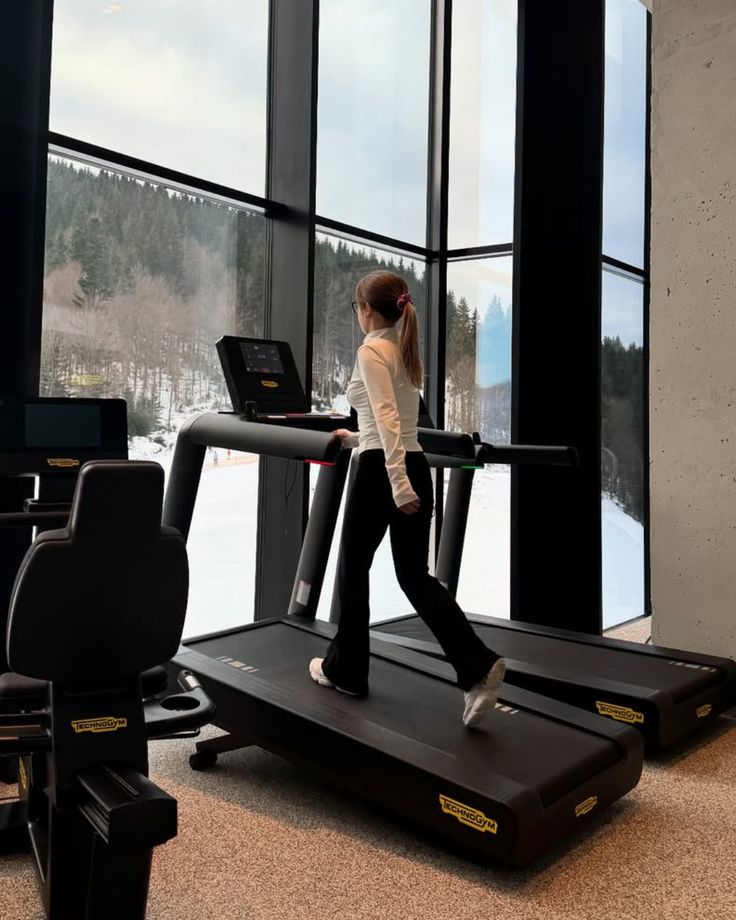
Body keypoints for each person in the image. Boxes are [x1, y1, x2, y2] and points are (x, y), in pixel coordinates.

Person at [309, 270, 506, 728]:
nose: (357, 314)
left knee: (353, 569)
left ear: (366, 310)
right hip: (409, 465)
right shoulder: (401, 349)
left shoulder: (370, 350)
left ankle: (347, 672)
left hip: (386, 473)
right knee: (414, 577)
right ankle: (477, 666)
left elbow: (386, 418)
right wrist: (355, 437)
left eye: (357, 307)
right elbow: (390, 424)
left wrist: (397, 485)